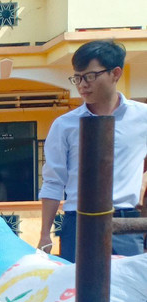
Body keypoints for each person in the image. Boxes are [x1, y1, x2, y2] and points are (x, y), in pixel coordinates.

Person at [38, 39, 147, 261]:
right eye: (77, 77)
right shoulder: (64, 125)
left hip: (126, 223)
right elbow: (53, 182)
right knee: (78, 291)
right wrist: (44, 234)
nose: (82, 85)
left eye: (90, 76)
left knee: (130, 293)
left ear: (115, 73)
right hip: (79, 221)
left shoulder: (143, 117)